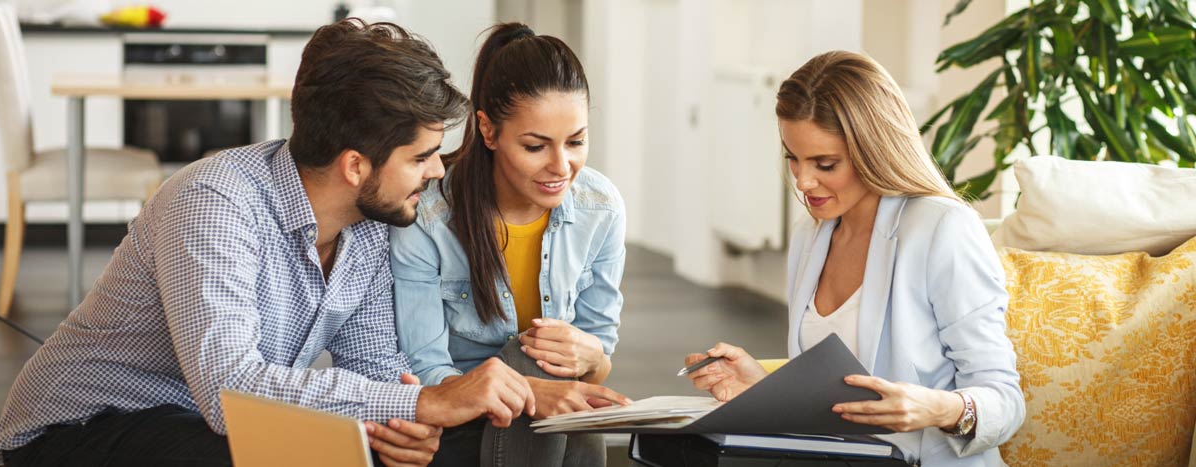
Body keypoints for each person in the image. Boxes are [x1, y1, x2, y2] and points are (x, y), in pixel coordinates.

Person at [0, 18, 536, 467]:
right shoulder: (213, 201)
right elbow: (229, 389)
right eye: (421, 157)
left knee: (439, 442)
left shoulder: (375, 221)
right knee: (277, 453)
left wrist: (406, 422)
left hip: (206, 423)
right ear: (355, 165)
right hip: (77, 432)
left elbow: (373, 367)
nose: (438, 172)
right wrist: (420, 401)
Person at [683, 51, 1024, 466]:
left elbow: (1005, 402)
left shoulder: (943, 229)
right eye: (793, 157)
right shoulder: (811, 235)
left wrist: (938, 408)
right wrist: (762, 384)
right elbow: (838, 391)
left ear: (873, 149)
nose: (803, 181)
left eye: (825, 164)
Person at [389, 23, 629, 467]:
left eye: (576, 141)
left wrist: (592, 357)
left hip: (551, 425)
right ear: (488, 129)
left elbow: (599, 359)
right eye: (536, 146)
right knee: (530, 357)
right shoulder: (428, 217)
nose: (562, 166)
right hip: (459, 426)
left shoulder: (601, 208)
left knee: (560, 379)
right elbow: (426, 373)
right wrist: (531, 388)